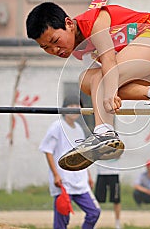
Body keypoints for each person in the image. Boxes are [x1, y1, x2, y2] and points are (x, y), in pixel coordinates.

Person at [26, 2, 150, 171]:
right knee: (86, 81)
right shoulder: (80, 50)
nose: (55, 49)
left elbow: (109, 62)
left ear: (68, 24)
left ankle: (104, 132)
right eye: (46, 47)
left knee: (104, 78)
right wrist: (108, 92)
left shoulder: (95, 22)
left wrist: (109, 95)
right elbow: (102, 80)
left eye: (55, 41)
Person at [39, 97, 101, 229]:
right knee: (62, 218)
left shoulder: (78, 128)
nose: (74, 108)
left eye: (77, 105)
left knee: (94, 212)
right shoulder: (57, 126)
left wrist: (88, 175)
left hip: (80, 181)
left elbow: (81, 154)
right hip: (64, 181)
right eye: (71, 105)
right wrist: (56, 175)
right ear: (64, 108)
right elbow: (47, 150)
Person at [94, 159, 122, 229]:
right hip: (101, 172)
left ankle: (117, 223)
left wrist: (105, 154)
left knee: (116, 199)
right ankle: (94, 222)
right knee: (98, 200)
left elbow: (118, 154)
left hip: (114, 172)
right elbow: (96, 154)